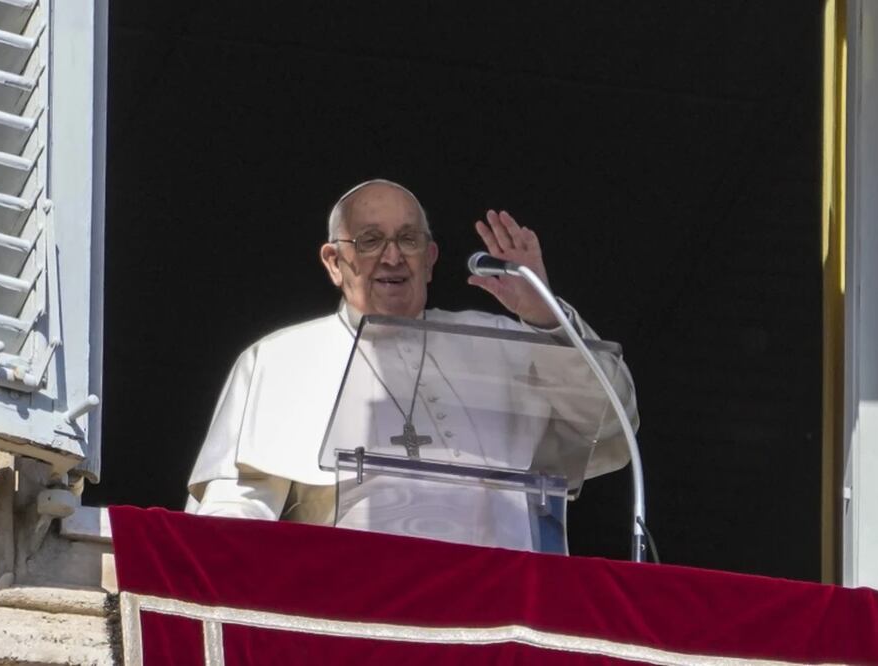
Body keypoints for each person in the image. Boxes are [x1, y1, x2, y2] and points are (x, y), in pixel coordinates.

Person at [185, 179, 637, 551]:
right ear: (334, 262)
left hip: (502, 613)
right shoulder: (280, 358)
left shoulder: (502, 340)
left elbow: (609, 420)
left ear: (431, 259)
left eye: (408, 239)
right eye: (370, 240)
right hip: (357, 615)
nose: (393, 256)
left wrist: (543, 315)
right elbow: (235, 508)